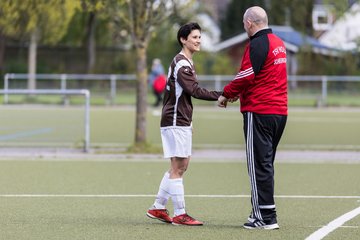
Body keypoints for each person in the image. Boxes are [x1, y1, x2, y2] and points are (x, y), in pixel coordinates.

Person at [218, 6, 288, 230]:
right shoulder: (279, 43)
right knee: (265, 165)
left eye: (243, 24)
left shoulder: (258, 43)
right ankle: (266, 212)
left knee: (258, 166)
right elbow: (264, 76)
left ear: (249, 23)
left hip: (259, 111)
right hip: (279, 112)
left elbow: (247, 75)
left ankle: (264, 217)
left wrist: (227, 93)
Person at [146, 22, 222, 226]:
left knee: (179, 166)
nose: (198, 40)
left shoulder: (186, 62)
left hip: (180, 120)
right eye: (194, 37)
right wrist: (222, 95)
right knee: (179, 166)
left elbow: (183, 96)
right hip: (175, 120)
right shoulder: (181, 63)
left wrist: (189, 121)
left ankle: (158, 207)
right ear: (183, 39)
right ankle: (180, 214)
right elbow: (194, 90)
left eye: (199, 37)